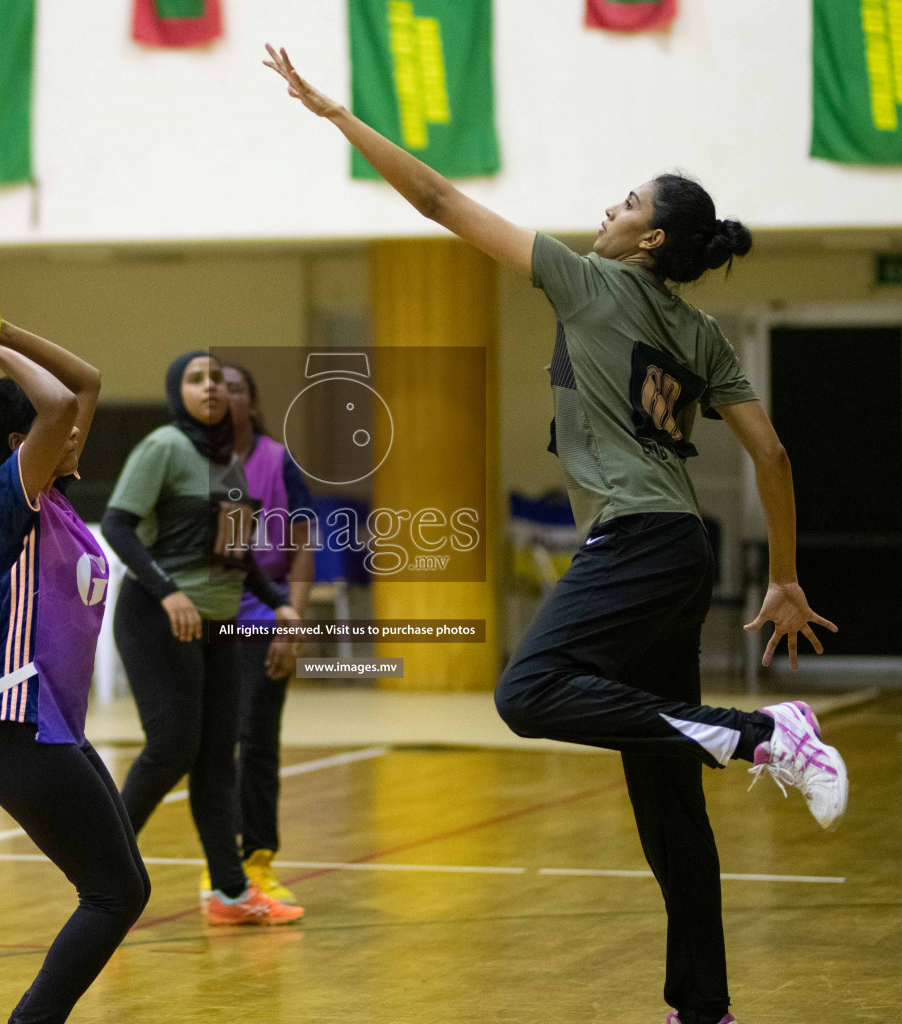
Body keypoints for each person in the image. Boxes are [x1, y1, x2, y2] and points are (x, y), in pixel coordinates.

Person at [264, 45, 847, 1024]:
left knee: (526, 693)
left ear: (653, 237)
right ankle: (702, 1008)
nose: (607, 207)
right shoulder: (699, 335)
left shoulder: (588, 282)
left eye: (626, 201)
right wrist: (782, 574)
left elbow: (441, 200)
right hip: (683, 550)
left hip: (636, 539)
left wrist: (335, 115)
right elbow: (775, 456)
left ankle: (764, 734)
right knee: (668, 798)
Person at [0, 323, 150, 1024]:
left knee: (125, 887)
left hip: (50, 724)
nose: (77, 431)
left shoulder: (53, 499)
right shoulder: (2, 502)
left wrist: (1, 328)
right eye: (57, 432)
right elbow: (57, 406)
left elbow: (84, 381)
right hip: (14, 725)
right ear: (20, 446)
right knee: (113, 893)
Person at [100, 352, 306, 926]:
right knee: (172, 749)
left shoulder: (230, 465)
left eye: (216, 379)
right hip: (156, 617)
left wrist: (279, 604)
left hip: (218, 626)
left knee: (218, 760)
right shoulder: (163, 446)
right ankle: (100, 872)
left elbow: (235, 557)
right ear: (177, 391)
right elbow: (117, 524)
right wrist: (167, 591)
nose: (210, 387)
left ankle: (231, 893)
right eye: (196, 379)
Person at [207, 362, 315, 904]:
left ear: (250, 402)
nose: (222, 396)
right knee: (209, 743)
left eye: (234, 389)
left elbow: (300, 555)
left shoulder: (279, 463)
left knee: (257, 736)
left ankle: (258, 860)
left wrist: (291, 624)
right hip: (206, 617)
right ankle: (219, 864)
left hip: (263, 617)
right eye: (214, 389)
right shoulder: (193, 461)